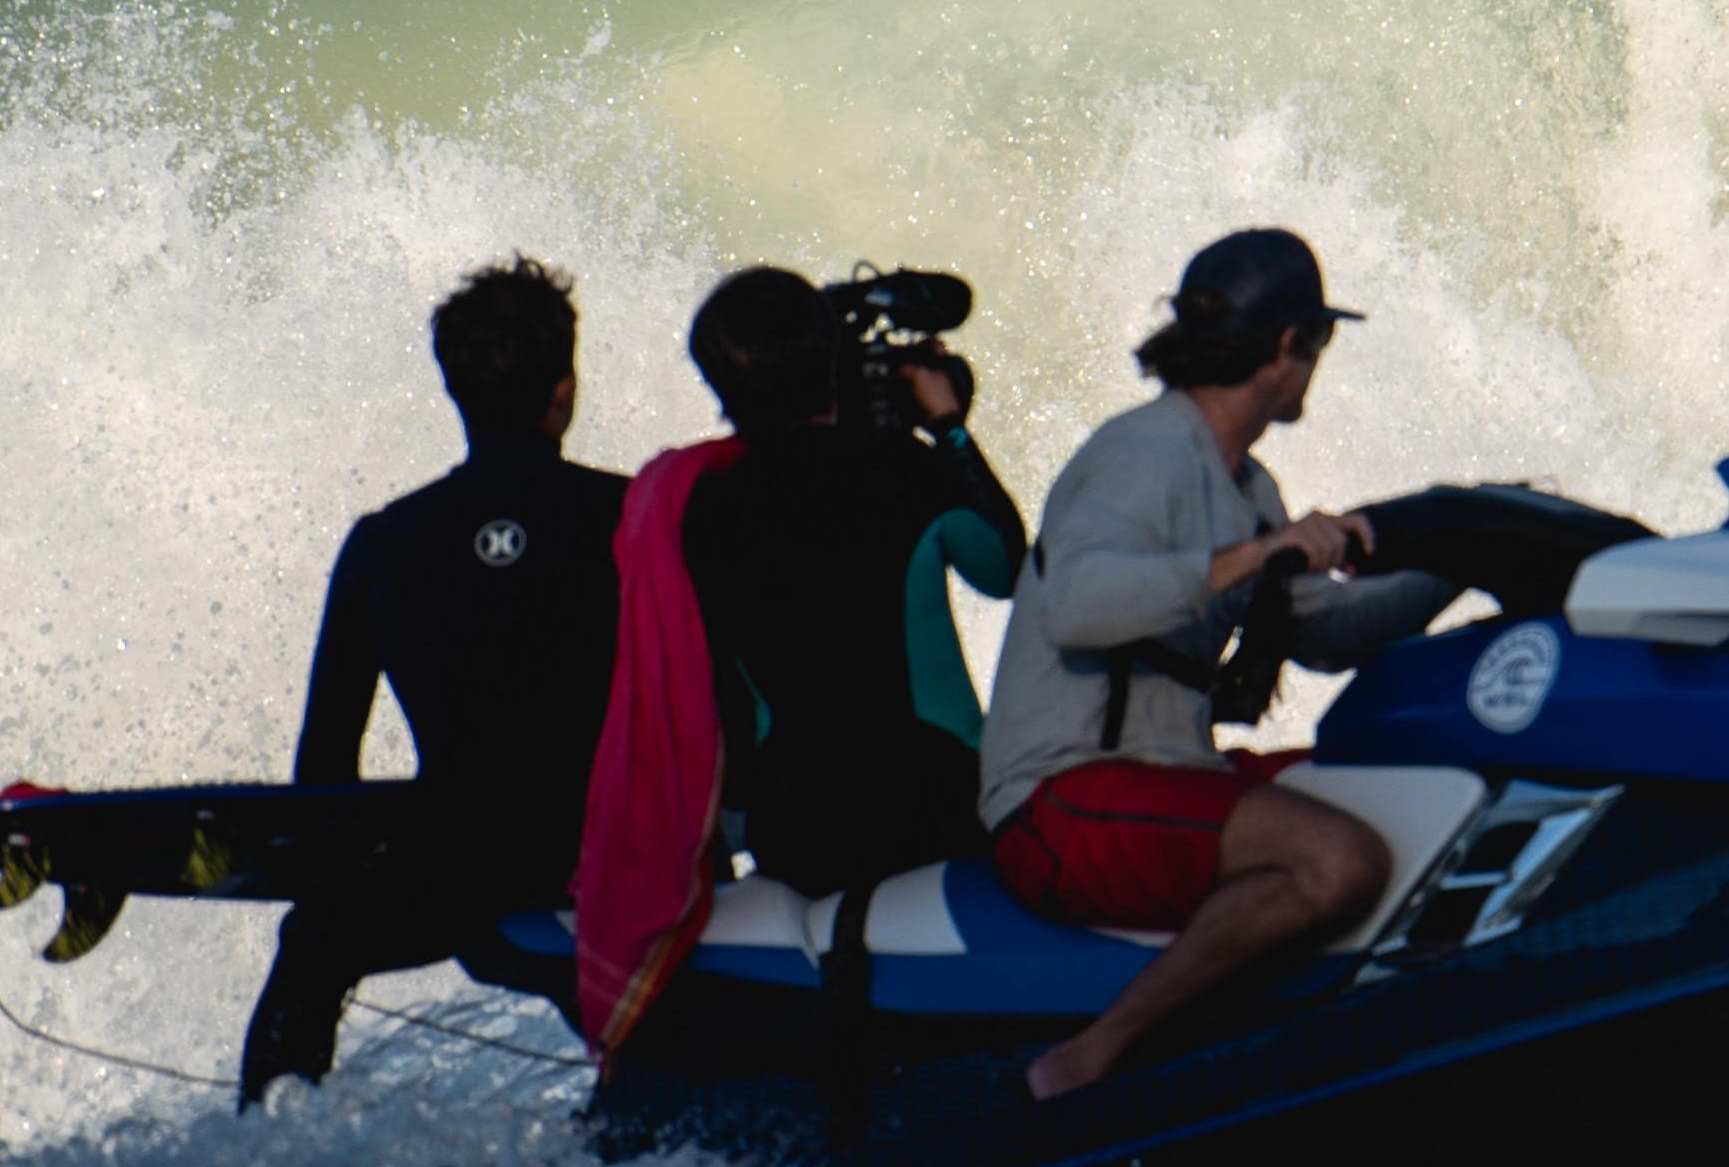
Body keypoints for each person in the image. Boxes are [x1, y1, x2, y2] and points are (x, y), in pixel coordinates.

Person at [982, 229, 1459, 1101]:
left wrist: (1460, 556)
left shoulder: (1245, 486)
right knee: (1336, 863)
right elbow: (1083, 605)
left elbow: (1329, 635)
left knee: (1421, 790)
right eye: (1320, 344)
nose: (1317, 364)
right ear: (1287, 346)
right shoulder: (1145, 451)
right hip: (1057, 802)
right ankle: (1085, 1062)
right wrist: (1256, 556)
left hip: (1165, 780)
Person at [241, 257, 628, 1103]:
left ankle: (258, 1150)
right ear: (563, 389)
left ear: (455, 394)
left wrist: (343, 890)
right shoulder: (636, 519)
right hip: (605, 868)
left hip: (458, 868)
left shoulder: (384, 543)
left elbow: (325, 773)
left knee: (313, 943)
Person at [674, 265, 1024, 900]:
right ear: (830, 367)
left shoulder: (702, 509)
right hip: (935, 806)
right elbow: (1005, 571)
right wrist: (948, 427)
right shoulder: (906, 473)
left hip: (794, 827)